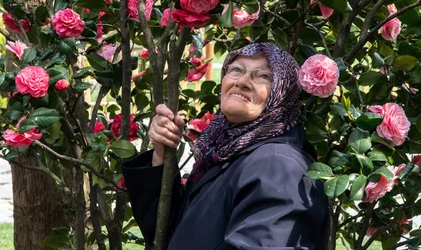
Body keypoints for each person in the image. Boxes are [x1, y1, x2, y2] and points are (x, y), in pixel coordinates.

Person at [122, 43, 330, 250]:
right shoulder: (227, 154)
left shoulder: (278, 165)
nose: (243, 81)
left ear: (284, 94)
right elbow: (169, 232)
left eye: (264, 76)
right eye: (237, 69)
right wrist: (161, 153)